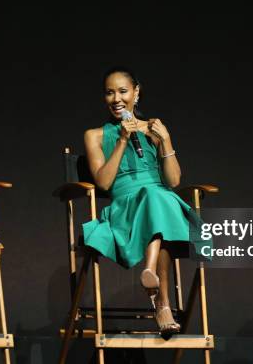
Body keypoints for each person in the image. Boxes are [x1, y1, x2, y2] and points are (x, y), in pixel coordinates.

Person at [82, 67, 202, 336]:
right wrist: (123, 140)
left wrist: (166, 139)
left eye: (123, 91)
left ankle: (150, 271)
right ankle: (162, 303)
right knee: (157, 201)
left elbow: (172, 181)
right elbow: (103, 182)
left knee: (159, 197)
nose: (116, 99)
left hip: (159, 199)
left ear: (136, 93)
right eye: (110, 93)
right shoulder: (95, 135)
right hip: (125, 206)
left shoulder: (153, 129)